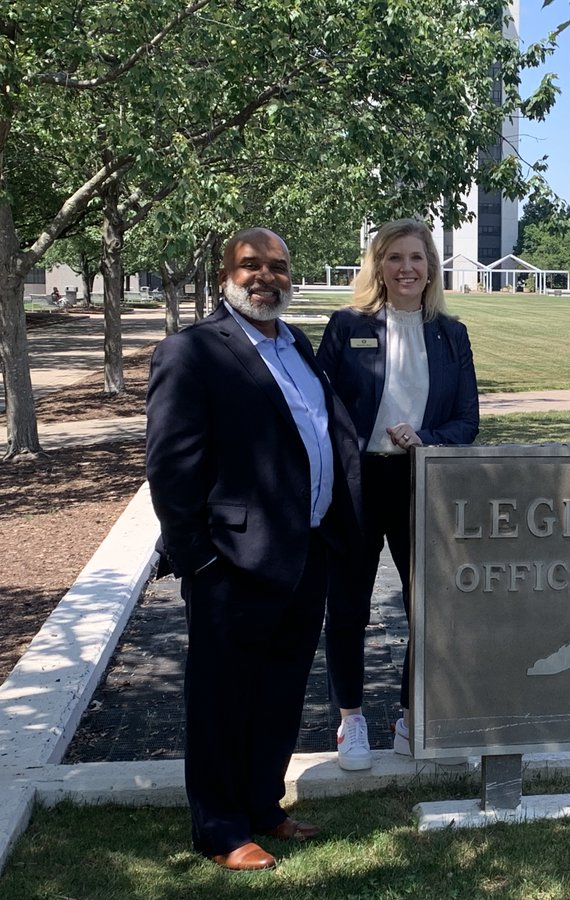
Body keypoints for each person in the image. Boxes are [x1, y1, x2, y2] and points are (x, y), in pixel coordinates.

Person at [145, 228, 363, 870]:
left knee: (281, 690)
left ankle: (264, 806)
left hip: (304, 553)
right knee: (222, 699)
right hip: (231, 562)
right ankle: (219, 830)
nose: (266, 276)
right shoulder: (191, 352)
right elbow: (171, 468)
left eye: (278, 266)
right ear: (225, 277)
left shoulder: (296, 343)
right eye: (250, 265)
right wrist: (199, 559)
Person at [316, 218, 479, 769]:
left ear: (431, 267)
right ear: (378, 267)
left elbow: (467, 422)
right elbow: (319, 408)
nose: (406, 268)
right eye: (394, 258)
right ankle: (351, 720)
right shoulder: (347, 326)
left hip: (421, 480)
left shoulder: (451, 334)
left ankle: (412, 718)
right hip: (357, 484)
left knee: (427, 606)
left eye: (416, 257)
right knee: (348, 606)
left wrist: (424, 437)